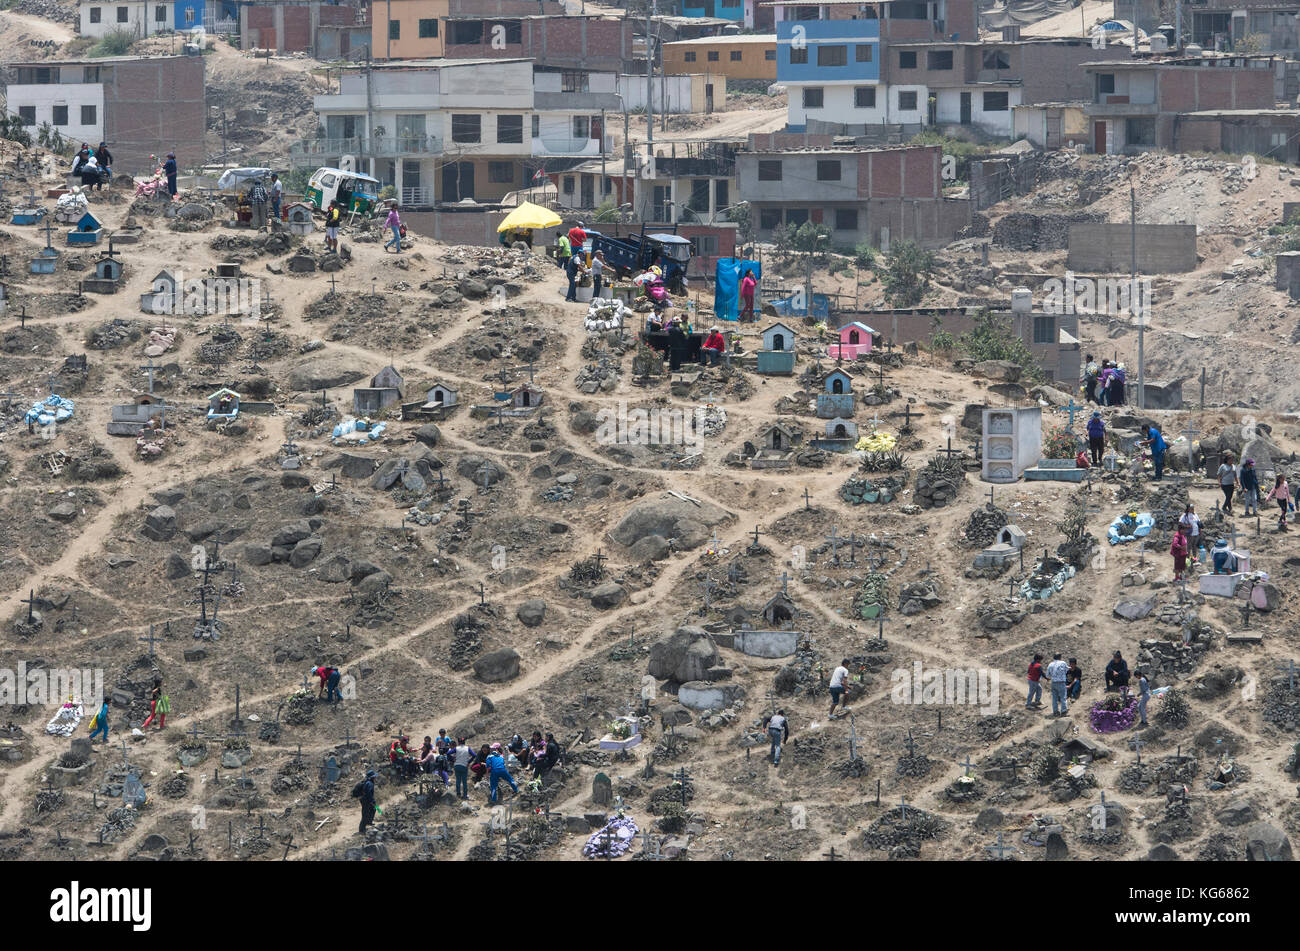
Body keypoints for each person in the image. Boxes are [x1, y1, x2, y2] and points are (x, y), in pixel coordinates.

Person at [354, 769, 377, 834]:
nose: (375, 778)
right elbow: (368, 793)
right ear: (372, 777)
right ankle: (362, 829)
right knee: (365, 814)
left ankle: (369, 822)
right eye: (374, 777)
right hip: (366, 800)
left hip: (365, 799)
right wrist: (372, 801)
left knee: (373, 809)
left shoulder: (367, 782)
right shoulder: (369, 783)